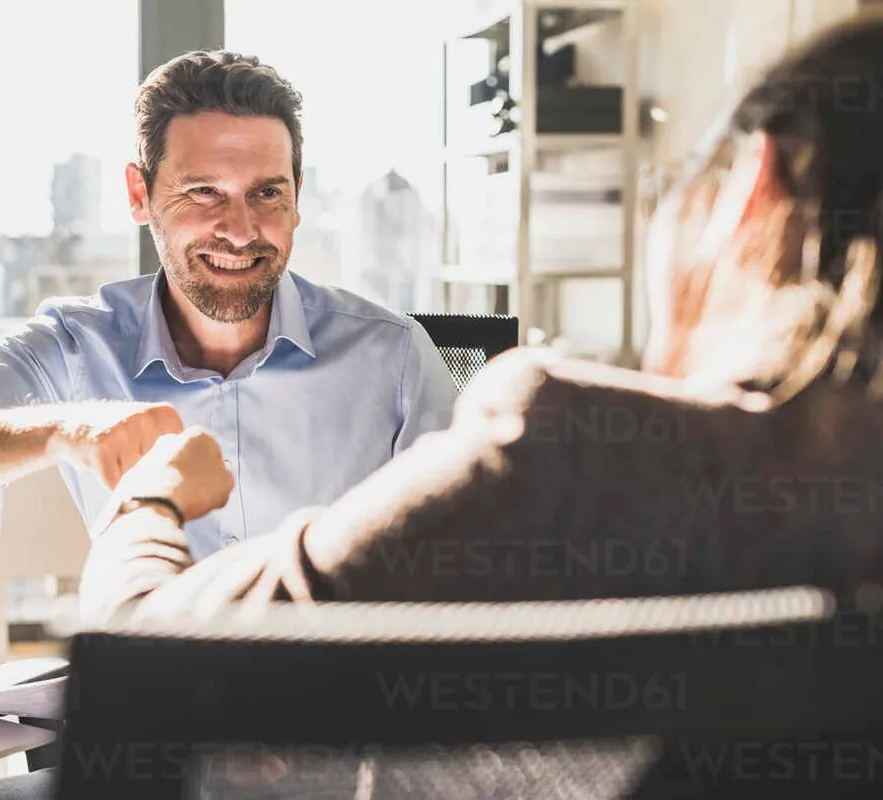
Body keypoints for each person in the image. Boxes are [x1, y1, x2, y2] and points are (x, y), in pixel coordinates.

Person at [80, 14, 883, 618]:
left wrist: (149, 502)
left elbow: (157, 657)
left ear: (753, 193)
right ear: (142, 194)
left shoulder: (569, 454)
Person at [0, 50, 457, 560]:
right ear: (140, 195)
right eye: (203, 193)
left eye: (267, 193)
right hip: (153, 693)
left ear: (298, 198)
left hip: (340, 692)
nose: (240, 230)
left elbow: (476, 559)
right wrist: (68, 431)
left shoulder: (394, 356)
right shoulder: (76, 346)